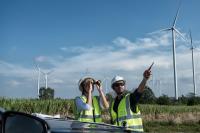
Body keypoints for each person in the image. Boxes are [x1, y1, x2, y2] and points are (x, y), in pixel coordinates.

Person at [109, 66, 151, 132]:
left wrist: (145, 79)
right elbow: (113, 122)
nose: (120, 86)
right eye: (117, 85)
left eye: (121, 84)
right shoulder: (113, 103)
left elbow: (139, 91)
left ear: (124, 86)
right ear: (113, 88)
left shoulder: (130, 99)